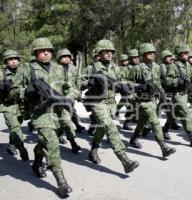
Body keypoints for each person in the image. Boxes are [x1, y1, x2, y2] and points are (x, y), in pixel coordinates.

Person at [11, 38, 73, 196]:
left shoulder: (59, 68)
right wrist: (27, 91)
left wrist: (70, 97)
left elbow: (69, 87)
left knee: (45, 142)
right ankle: (61, 181)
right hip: (40, 114)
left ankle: (37, 161)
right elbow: (14, 90)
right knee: (52, 143)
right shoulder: (26, 68)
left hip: (59, 112)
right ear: (35, 52)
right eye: (42, 50)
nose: (46, 52)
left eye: (49, 50)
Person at [81, 39, 139, 173]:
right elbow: (80, 83)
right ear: (99, 53)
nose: (109, 54)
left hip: (111, 103)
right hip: (97, 103)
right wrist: (91, 82)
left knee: (102, 128)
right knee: (110, 127)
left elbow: (121, 83)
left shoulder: (116, 68)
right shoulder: (91, 68)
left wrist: (127, 91)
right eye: (105, 52)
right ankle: (125, 160)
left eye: (110, 52)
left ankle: (93, 150)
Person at [128, 43, 176, 158]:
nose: (152, 54)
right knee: (155, 122)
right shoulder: (137, 68)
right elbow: (127, 84)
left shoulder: (157, 67)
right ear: (143, 55)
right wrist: (140, 86)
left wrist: (162, 94)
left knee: (142, 122)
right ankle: (164, 147)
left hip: (153, 100)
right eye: (150, 53)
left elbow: (158, 83)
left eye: (153, 53)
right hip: (142, 101)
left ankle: (134, 138)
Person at [164, 44, 192, 147]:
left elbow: (191, 79)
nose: (187, 55)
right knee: (185, 113)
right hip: (177, 94)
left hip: (186, 93)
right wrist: (178, 81)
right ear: (180, 54)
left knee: (172, 116)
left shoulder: (188, 65)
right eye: (185, 53)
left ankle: (164, 130)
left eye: (188, 53)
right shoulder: (174, 65)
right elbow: (167, 81)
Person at [0, 49, 29, 161]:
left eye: (15, 59)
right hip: (7, 105)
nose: (13, 61)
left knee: (17, 125)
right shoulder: (2, 73)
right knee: (15, 127)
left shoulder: (23, 71)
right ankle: (21, 147)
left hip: (21, 104)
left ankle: (11, 144)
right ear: (6, 61)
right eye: (10, 59)